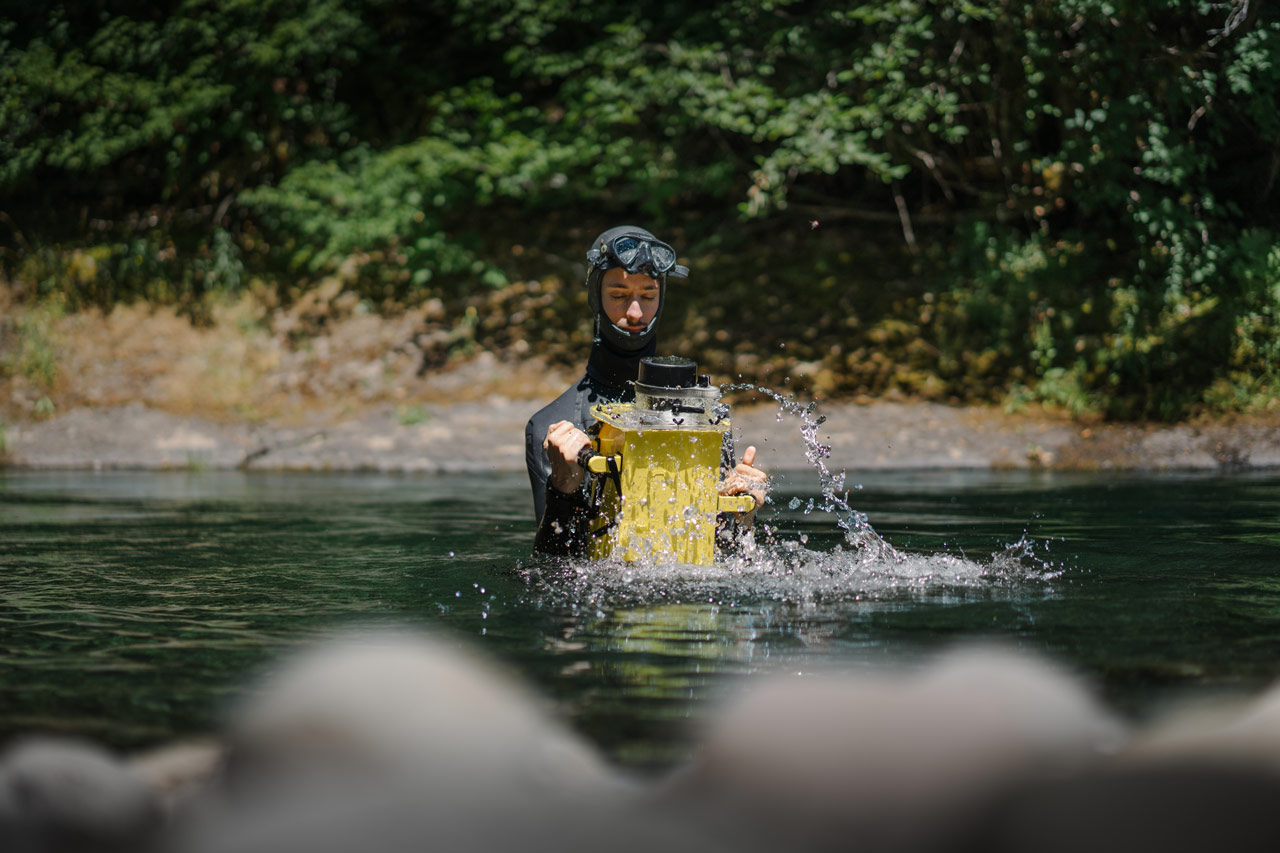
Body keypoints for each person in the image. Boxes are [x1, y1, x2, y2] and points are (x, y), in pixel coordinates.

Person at [525, 225, 767, 555]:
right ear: (595, 296)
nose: (635, 312)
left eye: (648, 295)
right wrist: (563, 490)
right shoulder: (552, 425)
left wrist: (743, 515)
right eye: (619, 295)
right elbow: (548, 575)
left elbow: (724, 556)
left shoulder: (704, 415)